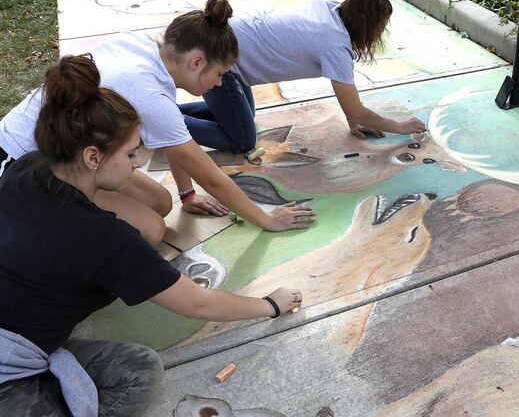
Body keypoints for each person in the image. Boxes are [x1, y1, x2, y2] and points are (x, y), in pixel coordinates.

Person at [0, 55, 303, 417]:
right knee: (136, 376)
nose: (138, 161)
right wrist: (270, 304)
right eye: (131, 153)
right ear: (93, 157)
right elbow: (198, 303)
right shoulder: (104, 239)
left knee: (136, 364)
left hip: (16, 323)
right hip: (8, 366)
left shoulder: (26, 169)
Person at [0, 0, 315, 246]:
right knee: (150, 230)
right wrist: (266, 218)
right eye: (220, 74)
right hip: (24, 169)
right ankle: (47, 237)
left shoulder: (143, 49)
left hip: (58, 150)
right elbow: (212, 177)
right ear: (196, 61)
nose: (220, 83)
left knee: (160, 203)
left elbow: (173, 137)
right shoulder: (148, 91)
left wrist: (187, 194)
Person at [179, 0, 425, 154]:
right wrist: (400, 127)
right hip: (220, 58)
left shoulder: (332, 10)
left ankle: (168, 114)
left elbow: (353, 111)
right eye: (380, 27)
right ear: (366, 24)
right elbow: (357, 110)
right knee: (242, 139)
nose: (380, 34)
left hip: (223, 42)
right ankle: (158, 120)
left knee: (244, 117)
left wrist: (353, 119)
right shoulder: (334, 43)